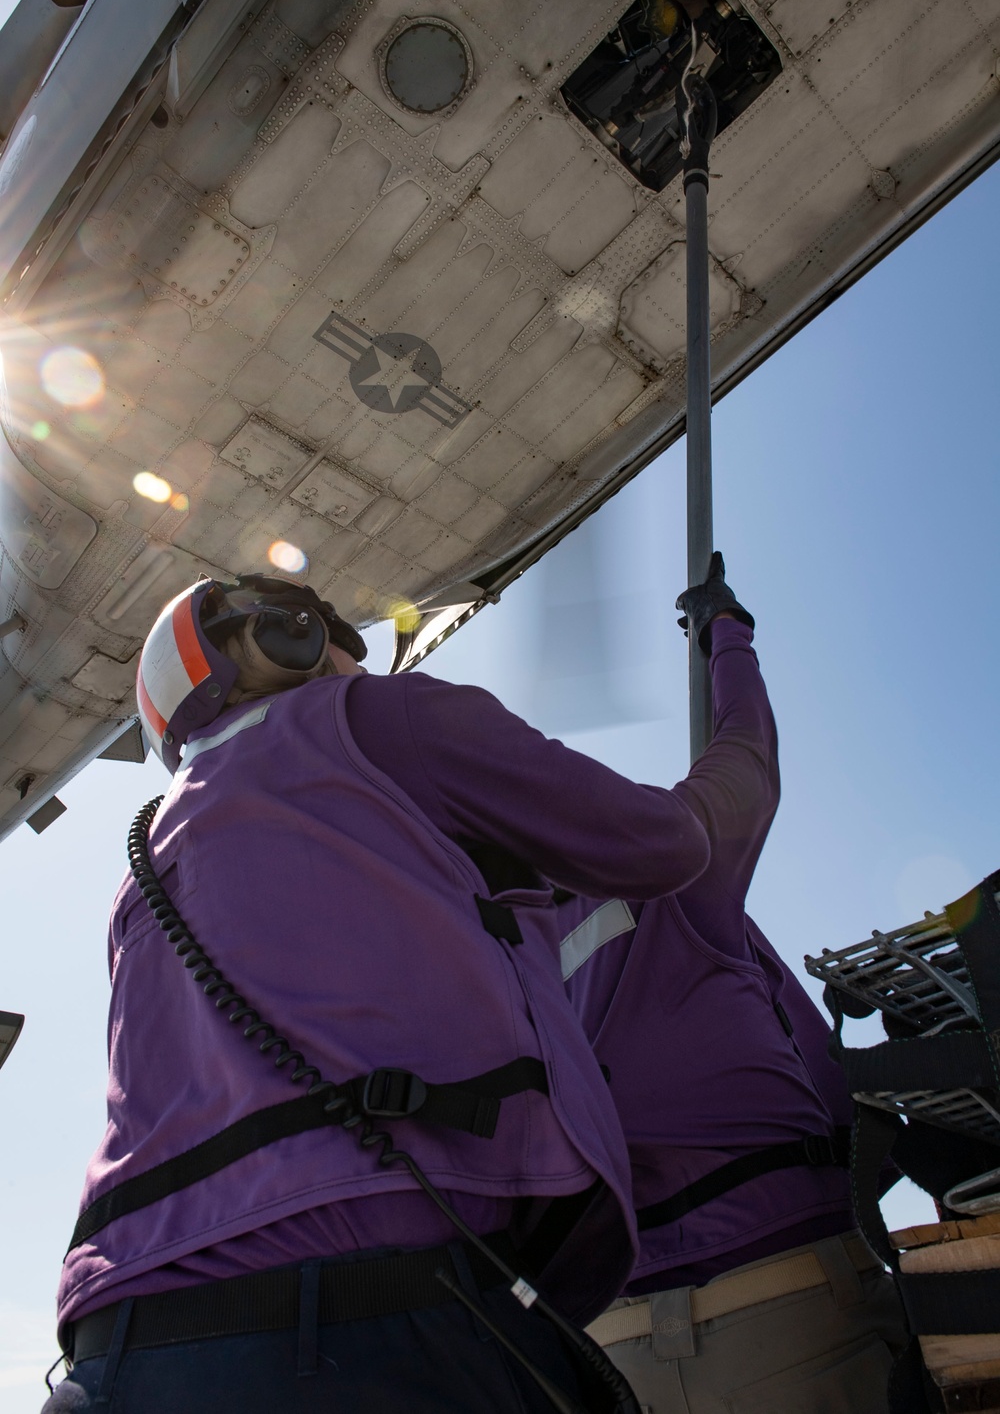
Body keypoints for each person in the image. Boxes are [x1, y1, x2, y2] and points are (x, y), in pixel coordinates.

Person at [46, 571, 723, 1414]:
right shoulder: (378, 717)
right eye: (334, 631)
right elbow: (661, 847)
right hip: (367, 1324)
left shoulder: (139, 869)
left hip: (111, 1350)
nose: (354, 657)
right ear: (283, 636)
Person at [551, 556, 909, 1413]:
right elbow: (745, 748)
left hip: (614, 1350)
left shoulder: (514, 943)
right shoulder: (669, 867)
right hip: (788, 1305)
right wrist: (727, 630)